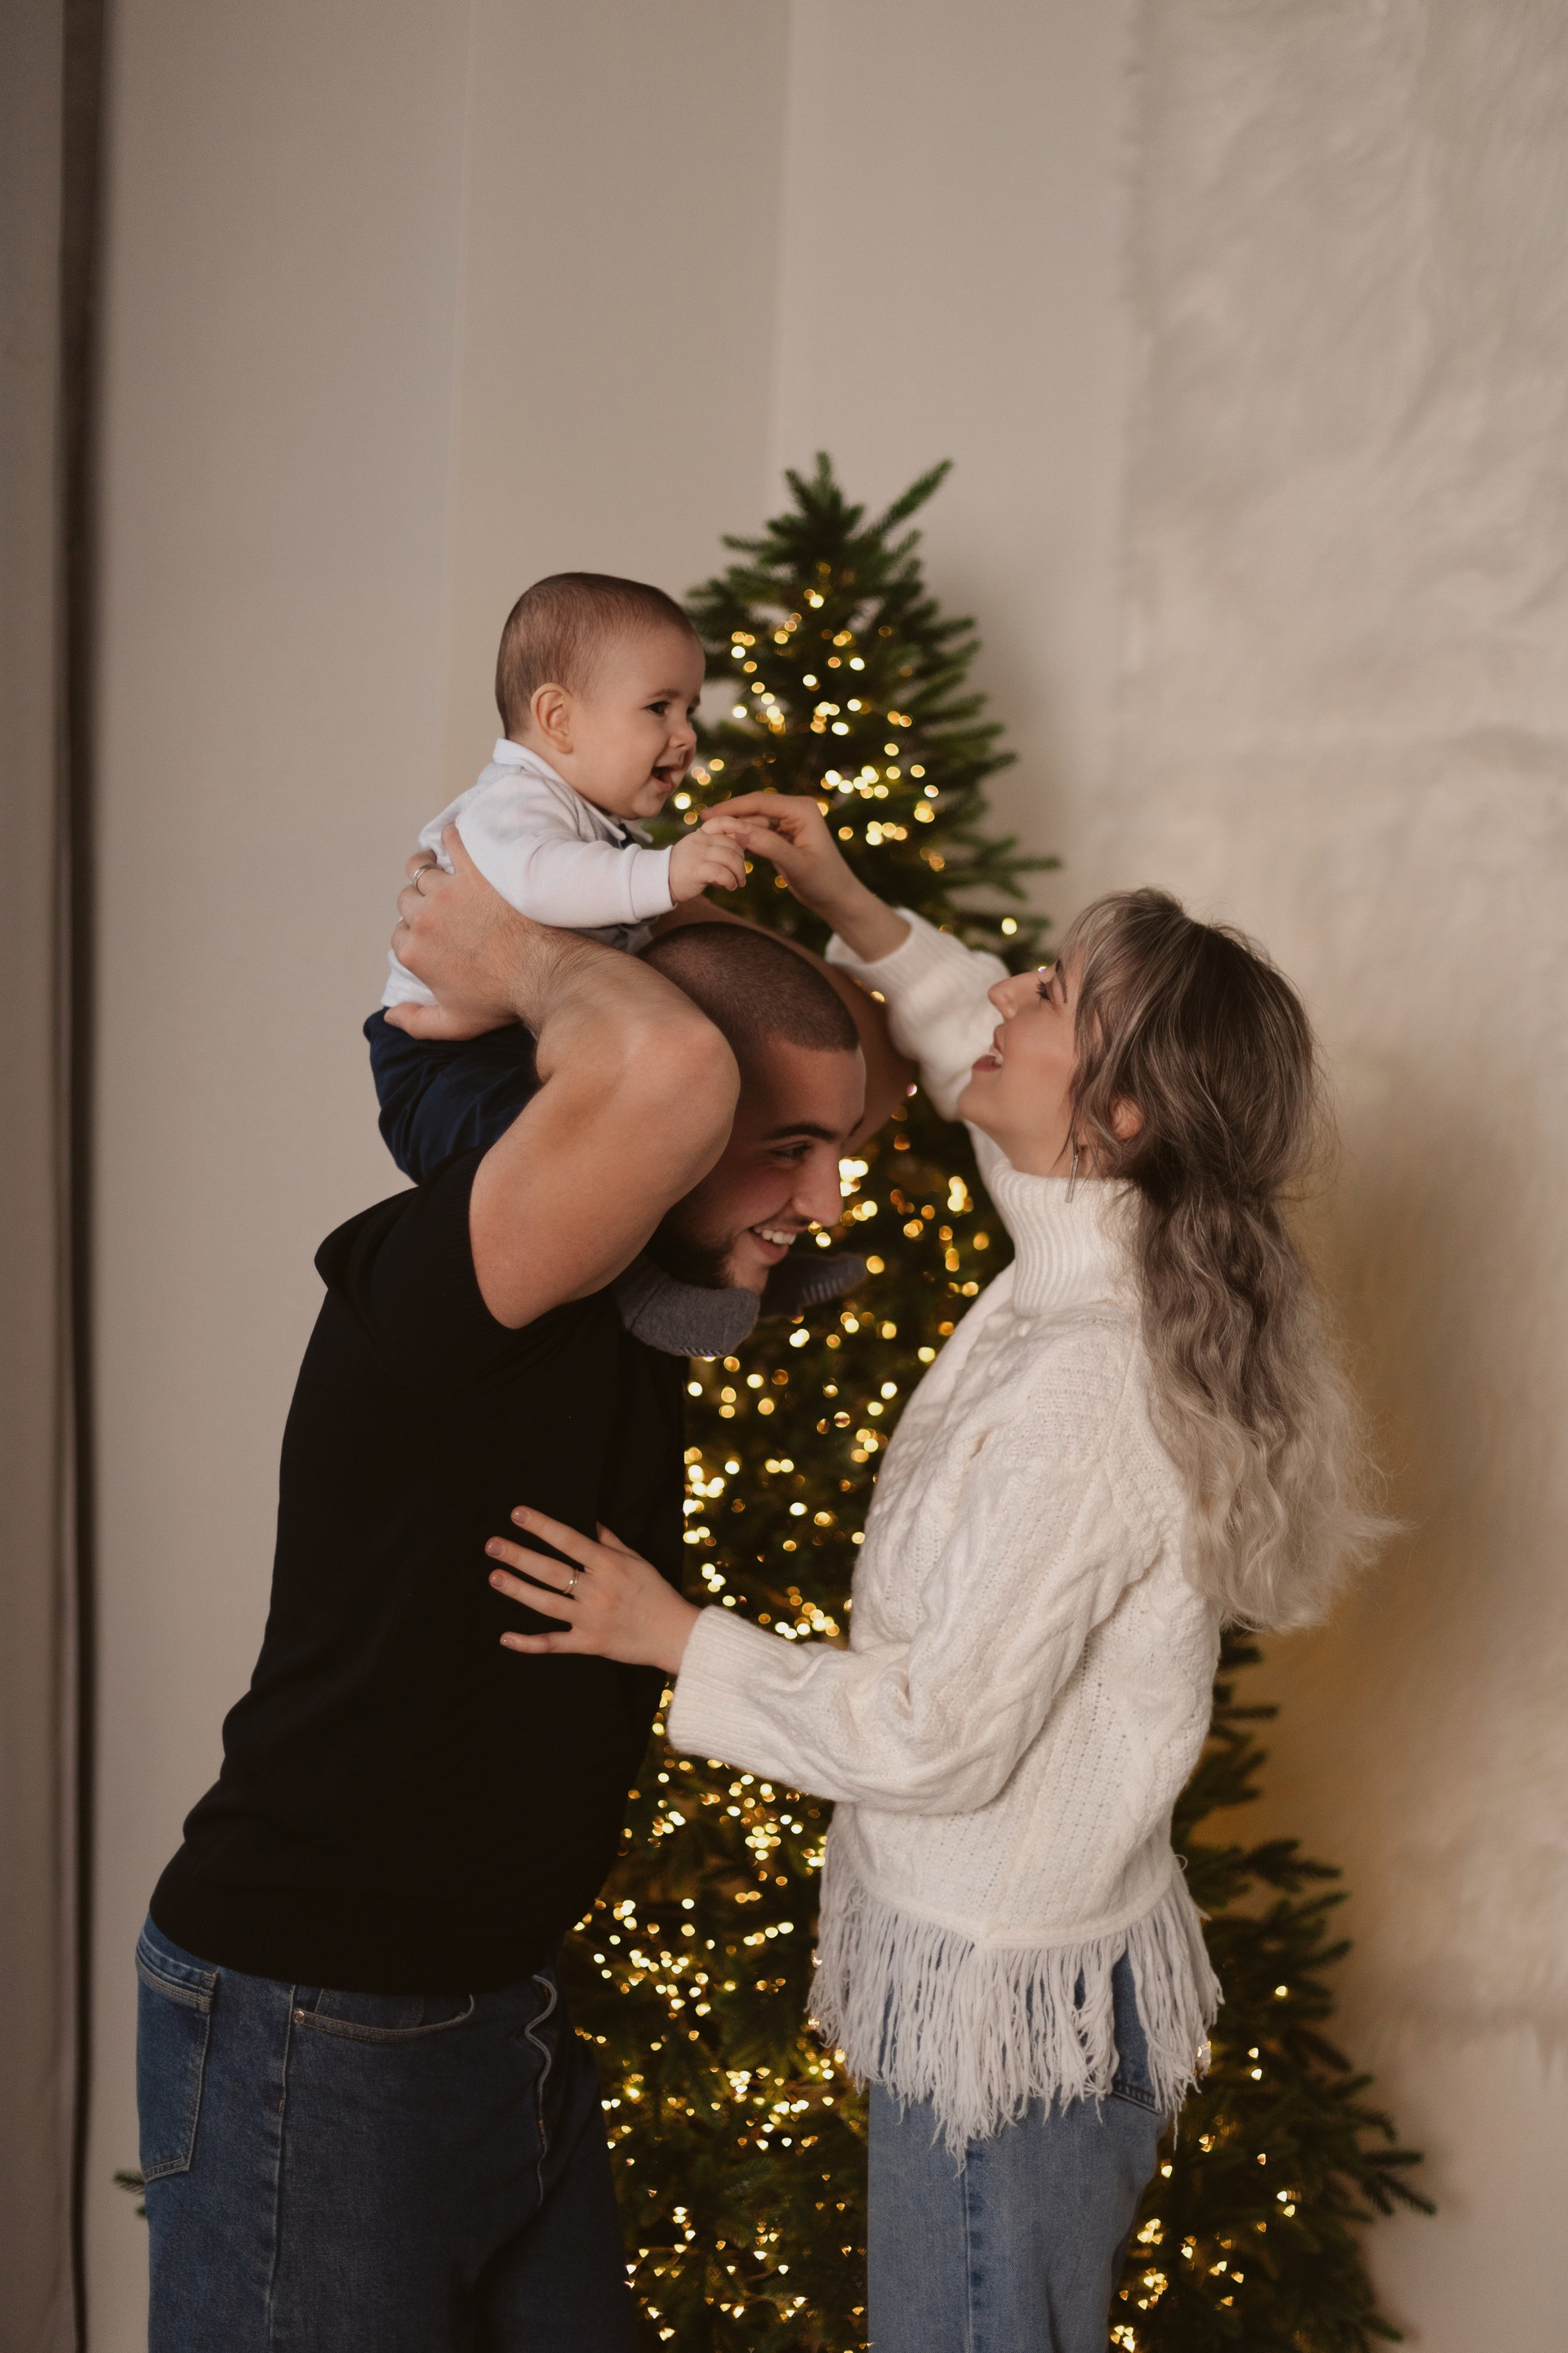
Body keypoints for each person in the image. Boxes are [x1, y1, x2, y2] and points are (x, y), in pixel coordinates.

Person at [477, 794, 1384, 2352]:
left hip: (1007, 2035)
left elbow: (941, 1736)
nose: (1011, 991)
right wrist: (850, 901)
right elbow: (979, 1044)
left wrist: (678, 1639)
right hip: (1001, 1986)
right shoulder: (1095, 1230)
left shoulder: (1097, 1384)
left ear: (1123, 1117)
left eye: (1055, 994)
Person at [135, 832, 869, 2353]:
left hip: (506, 2011)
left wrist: (808, 910)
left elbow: (802, 1057)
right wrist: (520, 949)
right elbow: (671, 1062)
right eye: (789, 1146)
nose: (830, 1198)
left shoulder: (644, 1291)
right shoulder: (476, 1272)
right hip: (319, 2025)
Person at [381, 571, 743, 1013]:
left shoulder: (582, 811)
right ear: (558, 719)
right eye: (658, 708)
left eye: (690, 712)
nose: (687, 736)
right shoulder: (516, 798)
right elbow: (542, 882)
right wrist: (664, 873)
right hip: (442, 1041)